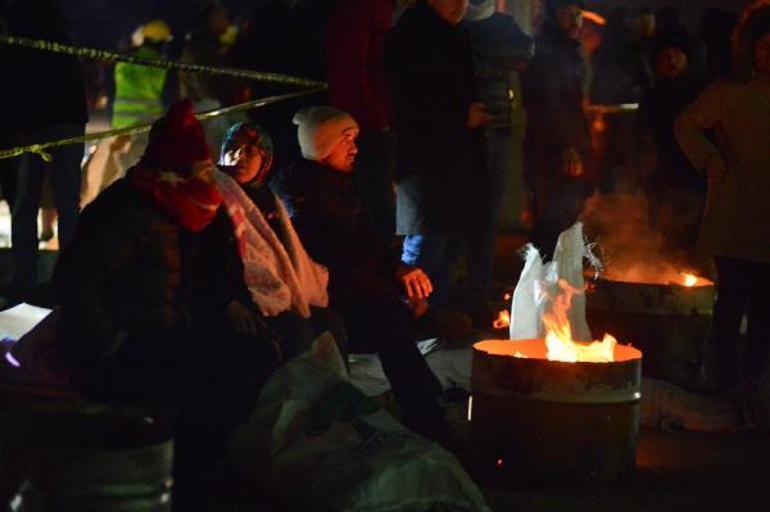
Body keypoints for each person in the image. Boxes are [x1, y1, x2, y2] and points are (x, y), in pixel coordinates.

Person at [53, 99, 278, 510]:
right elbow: (76, 281)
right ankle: (187, 485)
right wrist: (109, 343)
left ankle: (205, 472)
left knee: (253, 358)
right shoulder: (130, 210)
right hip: (126, 341)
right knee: (212, 389)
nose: (204, 177)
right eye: (195, 169)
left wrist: (224, 308)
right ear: (173, 170)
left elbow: (208, 275)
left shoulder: (189, 207)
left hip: (169, 327)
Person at [278, 106, 462, 436]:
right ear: (321, 146)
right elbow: (334, 260)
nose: (355, 147)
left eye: (355, 139)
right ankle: (426, 412)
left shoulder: (341, 184)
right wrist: (395, 290)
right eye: (345, 140)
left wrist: (401, 271)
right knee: (389, 320)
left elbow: (366, 241)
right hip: (325, 293)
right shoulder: (301, 194)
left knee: (402, 315)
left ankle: (427, 402)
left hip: (357, 286)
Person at [674, 1, 770, 393]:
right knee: (731, 303)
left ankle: (752, 382)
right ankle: (725, 383)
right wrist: (710, 160)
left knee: (765, 308)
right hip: (735, 213)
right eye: (765, 45)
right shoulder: (729, 92)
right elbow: (686, 124)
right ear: (750, 47)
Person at [198, 120, 348, 361]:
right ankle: (293, 396)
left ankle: (334, 390)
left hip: (281, 289)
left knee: (332, 322)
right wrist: (226, 299)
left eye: (250, 150)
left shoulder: (267, 197)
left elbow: (287, 249)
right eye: (233, 148)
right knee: (298, 331)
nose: (238, 156)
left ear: (265, 158)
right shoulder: (215, 192)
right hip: (246, 291)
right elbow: (210, 254)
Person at [384, 0, 492, 311]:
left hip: (457, 162)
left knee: (449, 247)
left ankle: (437, 317)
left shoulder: (455, 36)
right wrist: (459, 114)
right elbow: (405, 101)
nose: (462, 4)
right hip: (424, 164)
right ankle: (412, 321)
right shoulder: (409, 36)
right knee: (426, 247)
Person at [7, 0, 88, 300]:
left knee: (25, 201)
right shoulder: (59, 30)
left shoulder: (18, 29)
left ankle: (24, 282)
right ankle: (70, 281)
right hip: (64, 119)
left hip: (35, 123)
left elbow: (13, 83)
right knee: (66, 202)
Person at [463, 0, 533, 323]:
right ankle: (449, 299)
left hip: (496, 130)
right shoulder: (447, 22)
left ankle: (475, 294)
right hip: (457, 133)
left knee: (487, 217)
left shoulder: (499, 24)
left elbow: (524, 52)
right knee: (452, 220)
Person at [520, 0, 594, 261]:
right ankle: (542, 290)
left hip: (562, 146)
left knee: (561, 221)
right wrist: (566, 146)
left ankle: (552, 289)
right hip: (551, 151)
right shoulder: (548, 51)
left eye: (579, 14)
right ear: (554, 16)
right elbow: (548, 104)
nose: (575, 20)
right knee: (552, 223)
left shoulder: (568, 49)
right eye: (567, 13)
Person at [327, 0, 397, 240]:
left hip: (377, 120)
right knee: (376, 210)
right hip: (368, 125)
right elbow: (351, 69)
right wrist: (378, 117)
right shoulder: (361, 8)